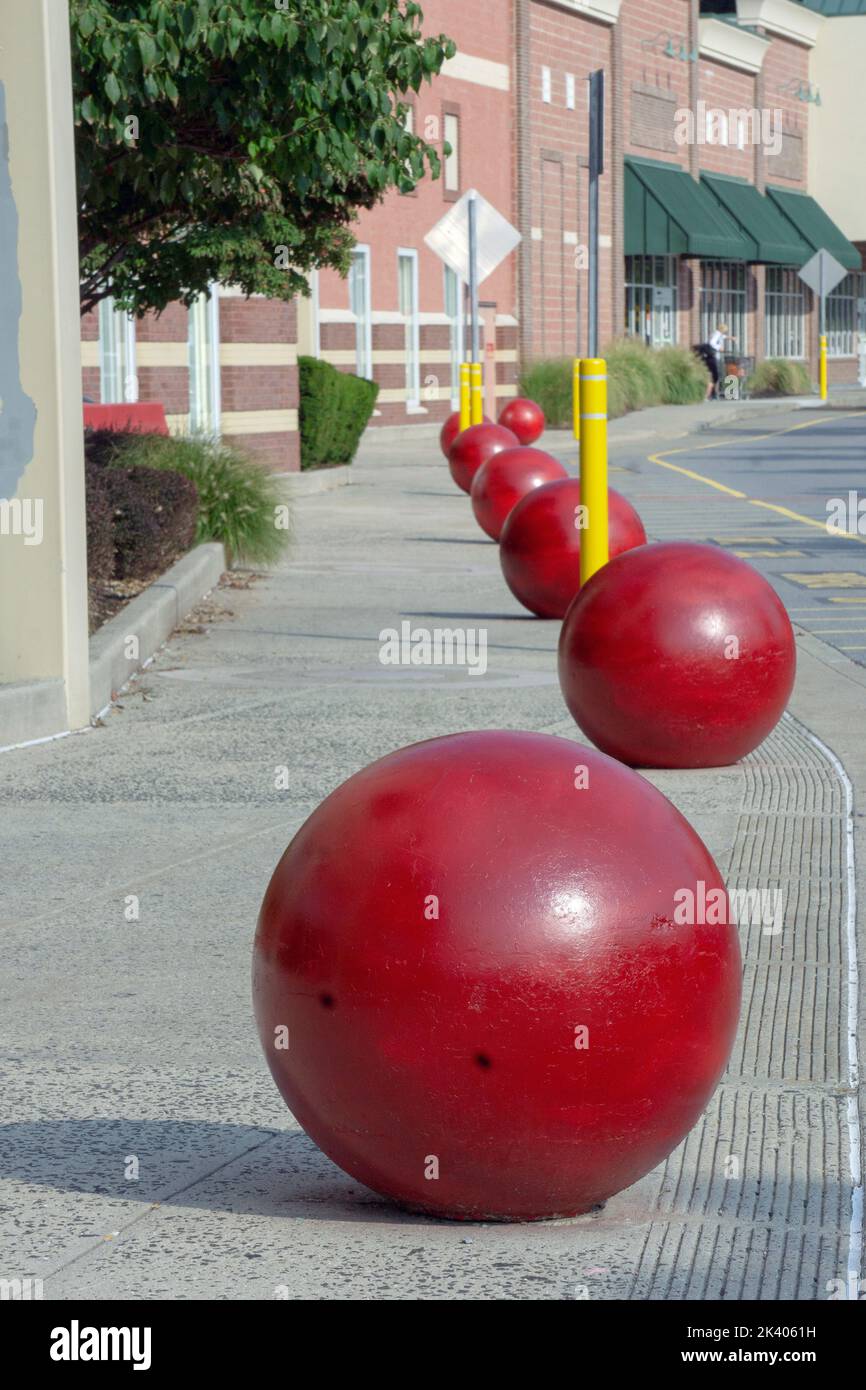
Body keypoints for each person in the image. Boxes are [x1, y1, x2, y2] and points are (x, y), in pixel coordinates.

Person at [706, 322, 735, 400]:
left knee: (716, 375)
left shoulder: (719, 334)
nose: (725, 332)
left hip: (715, 357)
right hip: (714, 357)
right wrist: (719, 347)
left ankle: (714, 393)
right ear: (722, 329)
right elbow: (711, 343)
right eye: (725, 330)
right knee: (716, 376)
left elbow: (723, 337)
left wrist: (730, 338)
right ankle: (713, 394)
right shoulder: (717, 334)